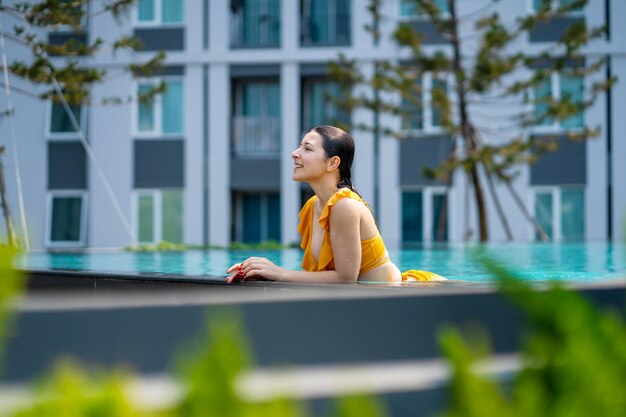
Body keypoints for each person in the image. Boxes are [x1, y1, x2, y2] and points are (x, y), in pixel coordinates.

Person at [226, 125, 445, 283]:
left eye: (307, 149)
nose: (295, 154)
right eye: (299, 147)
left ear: (333, 163)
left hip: (403, 296)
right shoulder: (314, 205)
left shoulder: (345, 206)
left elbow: (345, 278)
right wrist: (257, 270)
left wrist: (279, 273)